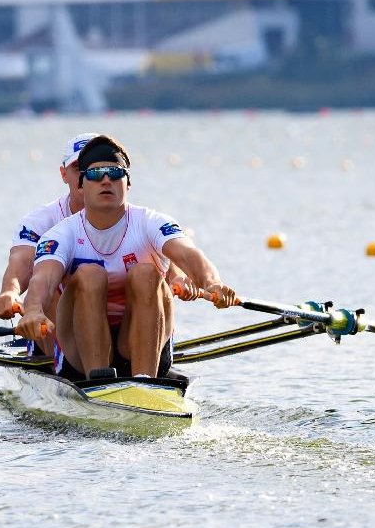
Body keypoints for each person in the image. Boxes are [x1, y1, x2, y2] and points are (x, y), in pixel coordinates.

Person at [17, 135, 238, 379]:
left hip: (137, 339)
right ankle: (99, 379)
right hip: (79, 348)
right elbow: (44, 280)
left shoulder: (152, 222)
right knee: (90, 275)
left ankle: (145, 380)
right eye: (94, 174)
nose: (105, 180)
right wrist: (33, 309)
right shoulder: (60, 234)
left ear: (128, 183)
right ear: (81, 185)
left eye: (114, 172)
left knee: (146, 273)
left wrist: (212, 283)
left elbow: (189, 255)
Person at [0, 132, 100, 352]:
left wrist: (179, 277)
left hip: (116, 323)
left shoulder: (139, 219)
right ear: (63, 174)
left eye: (96, 168)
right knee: (52, 280)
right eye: (79, 168)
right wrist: (10, 292)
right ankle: (65, 362)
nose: (87, 176)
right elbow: (23, 260)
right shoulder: (40, 222)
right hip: (58, 327)